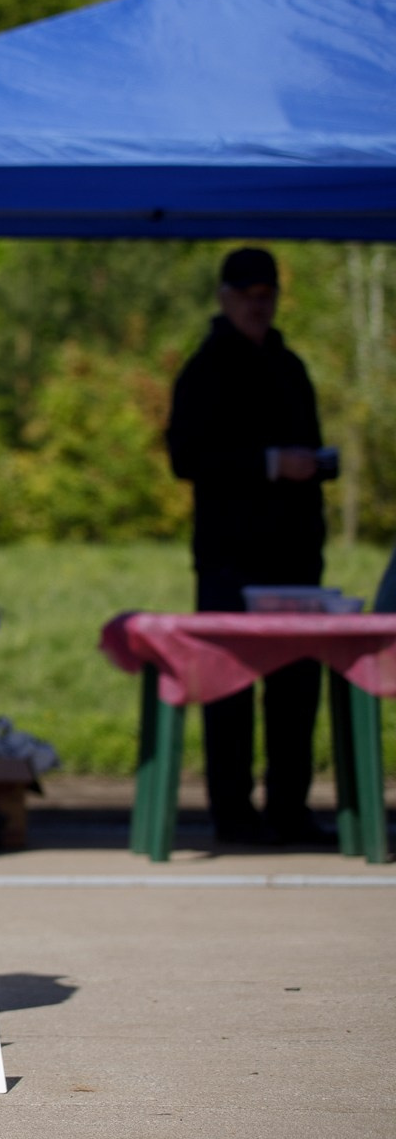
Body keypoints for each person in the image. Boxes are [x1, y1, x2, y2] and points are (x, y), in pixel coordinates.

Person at [166, 247, 332, 846]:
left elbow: (310, 445)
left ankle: (289, 808)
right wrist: (268, 463)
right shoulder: (206, 370)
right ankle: (233, 812)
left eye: (267, 295)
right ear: (225, 298)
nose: (258, 306)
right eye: (247, 296)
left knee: (296, 686)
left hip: (294, 555)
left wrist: (313, 466)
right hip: (230, 556)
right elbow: (186, 457)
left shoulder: (289, 366)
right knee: (228, 685)